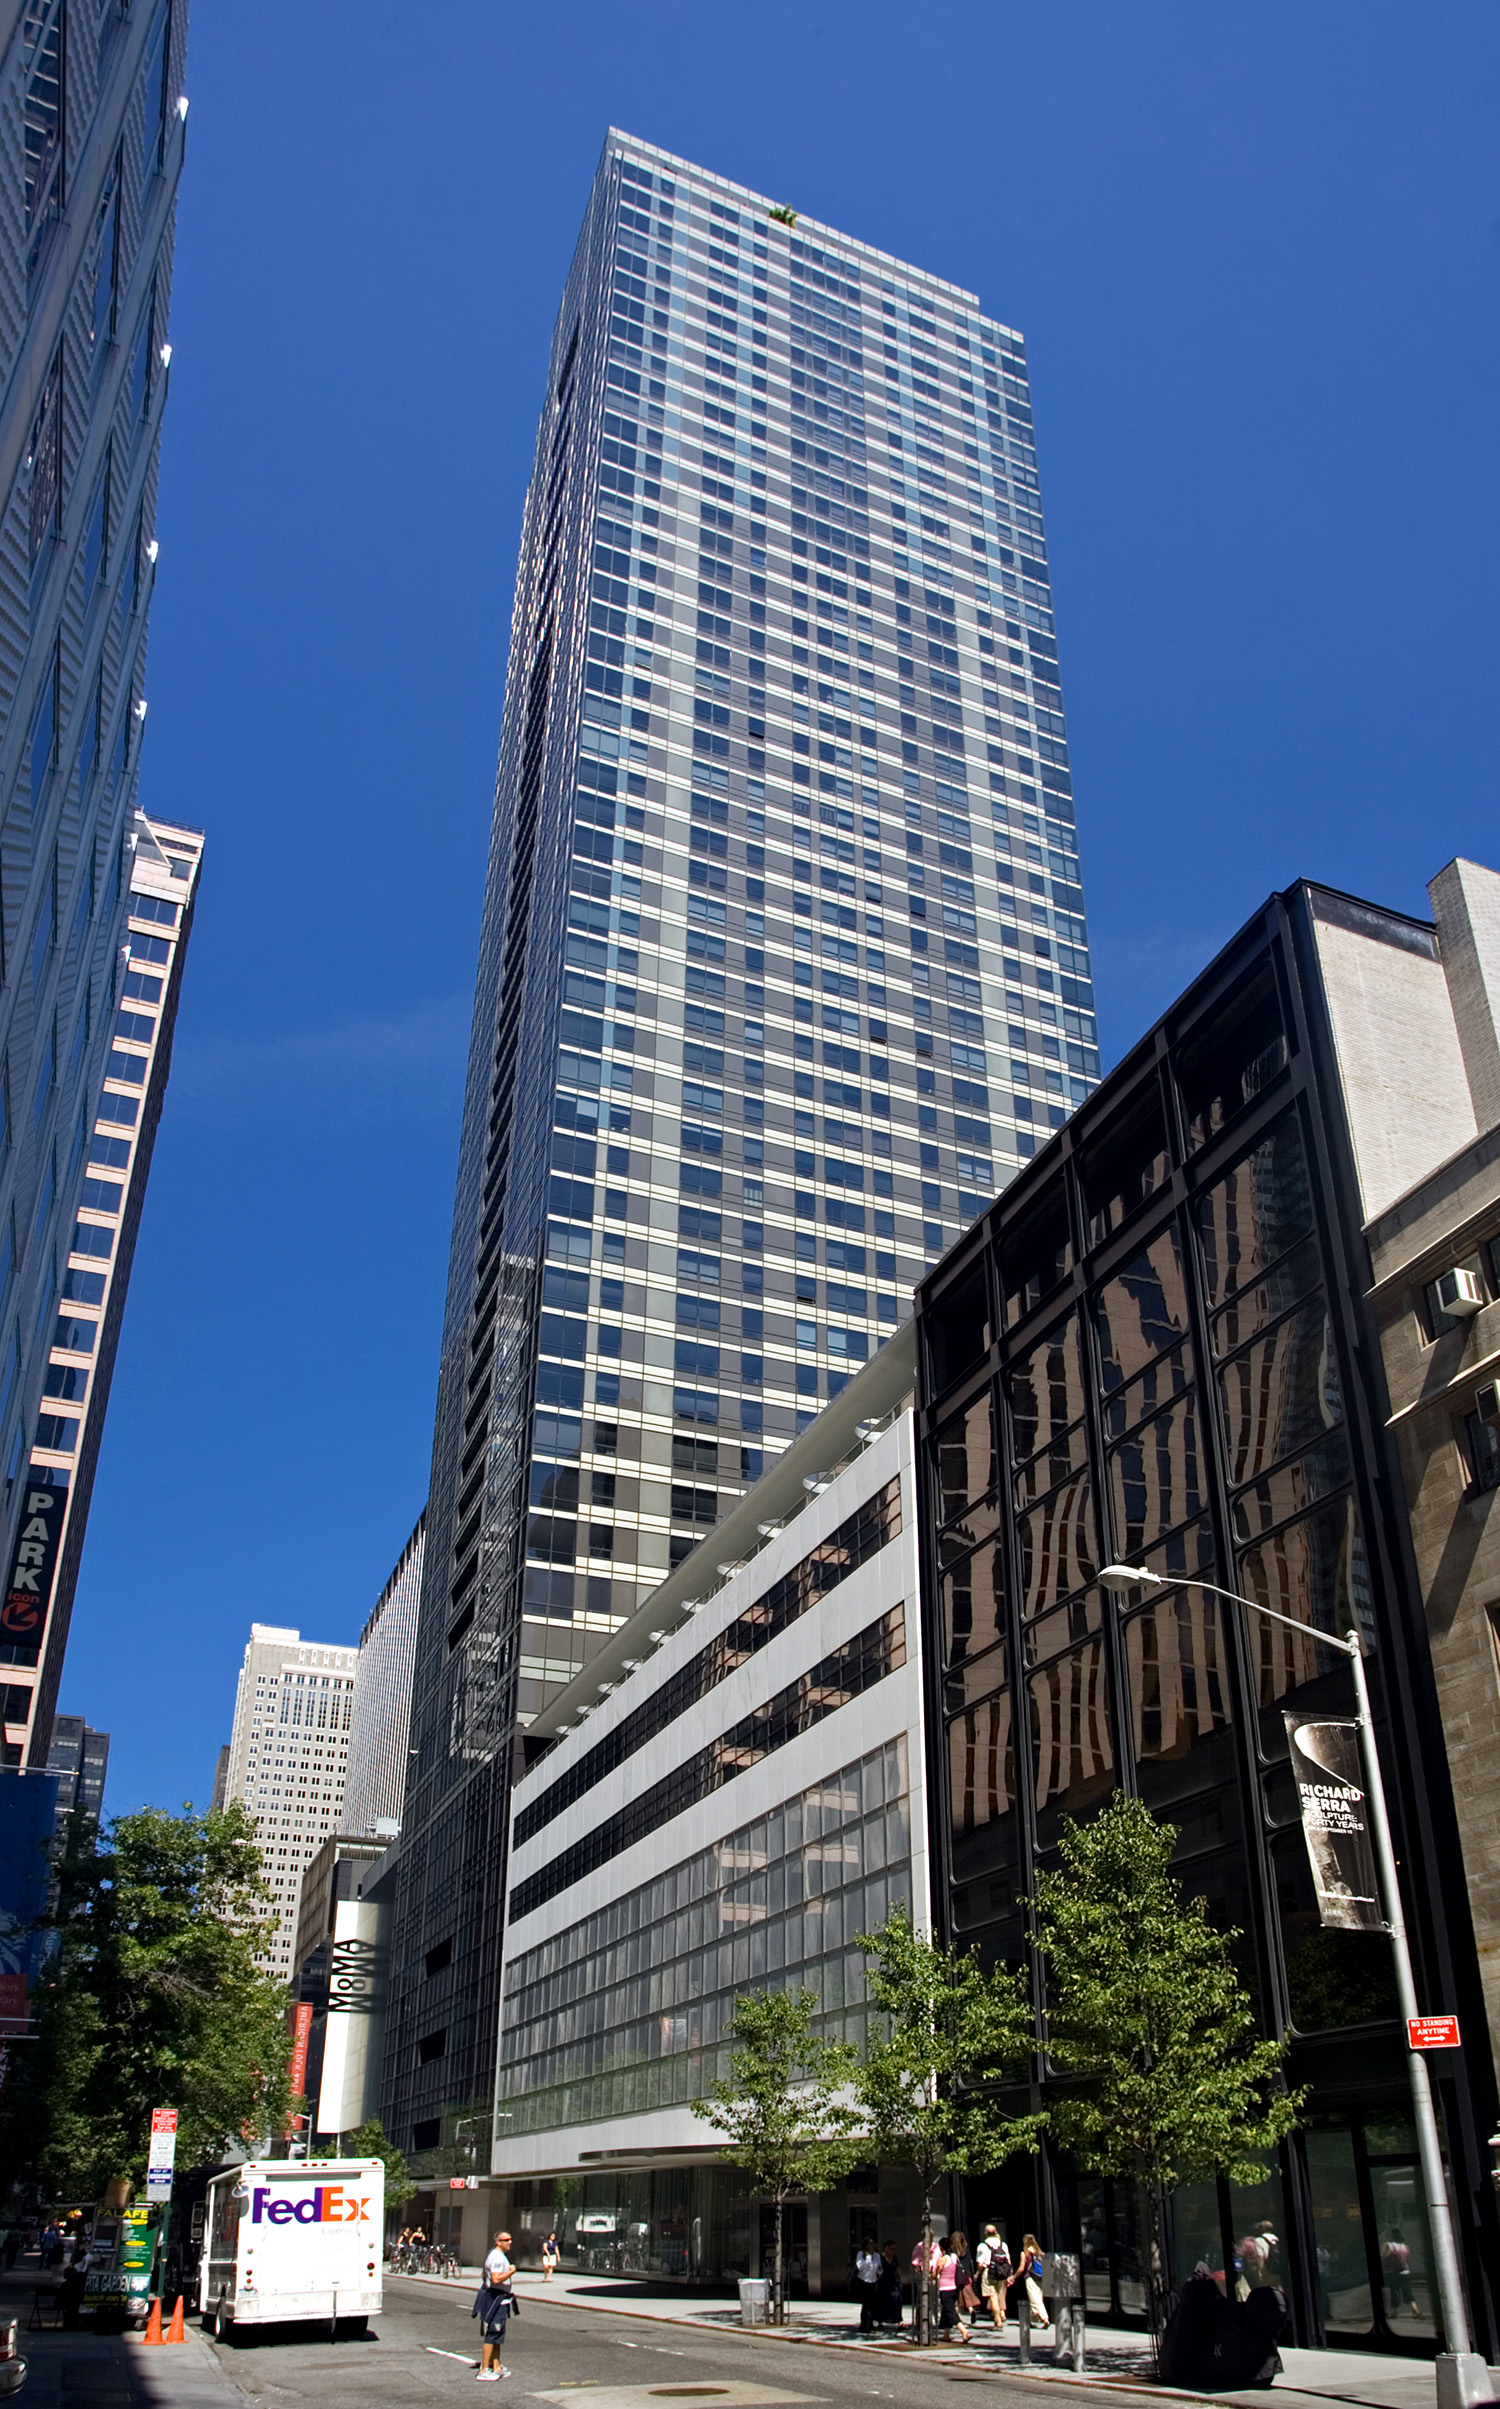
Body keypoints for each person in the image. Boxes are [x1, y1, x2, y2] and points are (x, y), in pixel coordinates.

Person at [473, 2230, 514, 2381]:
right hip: (495, 2299)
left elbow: (484, 2275)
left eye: (510, 2239)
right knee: (492, 2333)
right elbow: (496, 2279)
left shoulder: (497, 2256)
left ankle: (496, 2366)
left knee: (498, 2334)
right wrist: (511, 2272)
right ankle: (484, 2369)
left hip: (500, 2299)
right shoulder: (497, 2257)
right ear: (498, 2242)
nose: (510, 2242)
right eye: (506, 2240)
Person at [935, 2233, 970, 2342]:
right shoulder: (954, 2257)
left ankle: (963, 2330)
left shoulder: (942, 2259)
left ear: (941, 2247)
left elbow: (936, 2273)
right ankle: (946, 2335)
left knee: (950, 2311)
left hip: (944, 2288)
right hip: (954, 2288)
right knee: (946, 2311)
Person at [1012, 2233, 1049, 2329]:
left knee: (1034, 2300)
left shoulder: (1025, 2253)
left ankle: (1045, 2318)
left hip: (1030, 2277)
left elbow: (1021, 2268)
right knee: (1038, 2298)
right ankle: (1030, 2320)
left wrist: (1013, 2277)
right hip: (1041, 2277)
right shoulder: (1040, 2252)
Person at [976, 2225, 1010, 2330]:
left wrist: (978, 2273)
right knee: (999, 2295)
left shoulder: (982, 2246)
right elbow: (1008, 2260)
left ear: (985, 2233)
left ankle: (998, 2321)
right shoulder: (1003, 2245)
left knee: (993, 2297)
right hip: (1001, 2273)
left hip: (989, 2272)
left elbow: (980, 2263)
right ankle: (1000, 2316)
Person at [854, 2238, 882, 2334]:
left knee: (871, 2303)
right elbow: (860, 2266)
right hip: (863, 2280)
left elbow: (879, 2268)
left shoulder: (877, 2255)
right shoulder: (861, 2254)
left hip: (873, 2280)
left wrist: (879, 2269)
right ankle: (864, 2325)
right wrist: (867, 2258)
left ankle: (869, 2324)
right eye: (870, 2244)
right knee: (866, 2304)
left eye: (873, 2244)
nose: (872, 2246)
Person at [877, 2241, 904, 2329]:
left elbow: (897, 2270)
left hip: (893, 2282)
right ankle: (880, 2321)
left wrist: (900, 2280)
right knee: (882, 2301)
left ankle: (898, 2321)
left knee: (897, 2300)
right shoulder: (880, 2258)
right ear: (886, 2248)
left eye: (894, 2250)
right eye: (891, 2249)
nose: (893, 2251)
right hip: (883, 2282)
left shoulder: (894, 2258)